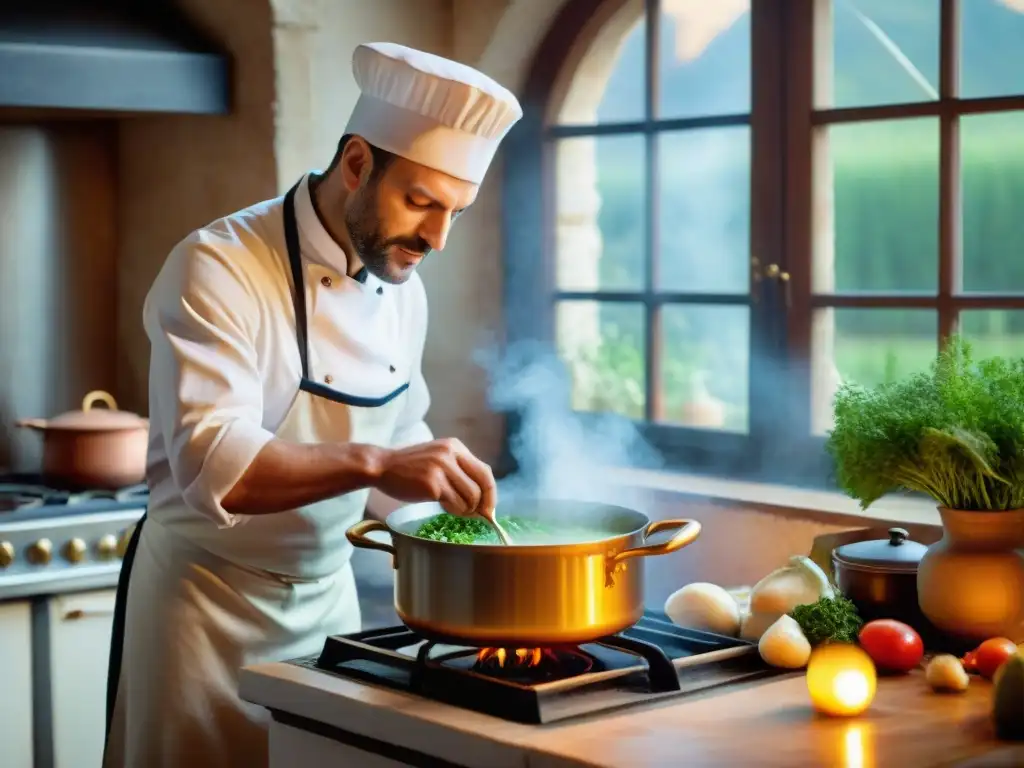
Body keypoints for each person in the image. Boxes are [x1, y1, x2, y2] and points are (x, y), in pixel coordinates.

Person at [103, 41, 522, 768]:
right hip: (205, 612)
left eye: (456, 211)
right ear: (357, 163)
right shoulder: (218, 266)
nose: (436, 237)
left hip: (329, 610)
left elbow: (398, 426)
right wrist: (380, 463)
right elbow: (218, 471)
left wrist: (460, 531)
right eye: (421, 201)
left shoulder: (402, 286)